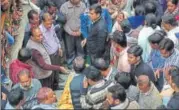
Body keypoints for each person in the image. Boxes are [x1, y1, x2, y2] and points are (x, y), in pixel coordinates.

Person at [39, 12, 65, 85]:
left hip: (56, 52)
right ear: (43, 22)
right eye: (48, 24)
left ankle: (57, 83)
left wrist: (59, 47)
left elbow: (55, 37)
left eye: (51, 23)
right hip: (49, 55)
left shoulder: (52, 26)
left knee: (57, 69)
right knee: (51, 72)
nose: (50, 25)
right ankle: (53, 86)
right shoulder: (40, 31)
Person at [60, 0, 86, 68]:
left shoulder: (83, 6)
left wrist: (80, 31)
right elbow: (63, 22)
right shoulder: (64, 7)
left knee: (80, 48)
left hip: (80, 33)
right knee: (70, 49)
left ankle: (80, 64)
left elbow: (85, 20)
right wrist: (71, 32)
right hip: (68, 33)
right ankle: (71, 64)